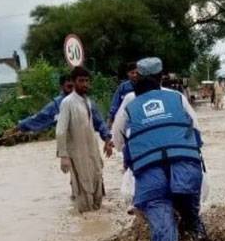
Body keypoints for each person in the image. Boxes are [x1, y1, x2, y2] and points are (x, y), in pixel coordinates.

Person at [111, 57, 206, 241]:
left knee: (162, 228)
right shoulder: (177, 98)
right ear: (162, 76)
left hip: (151, 173)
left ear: (136, 78)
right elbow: (196, 131)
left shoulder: (129, 103)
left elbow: (118, 139)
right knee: (193, 220)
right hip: (185, 167)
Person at [56, 66, 114, 213]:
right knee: (83, 189)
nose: (85, 84)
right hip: (77, 154)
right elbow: (61, 130)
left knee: (97, 182)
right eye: (81, 81)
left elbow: (98, 123)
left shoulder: (88, 102)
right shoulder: (67, 102)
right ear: (74, 82)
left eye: (87, 81)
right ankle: (87, 221)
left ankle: (96, 223)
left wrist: (107, 141)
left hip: (92, 152)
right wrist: (63, 156)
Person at [7, 75, 74, 134]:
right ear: (61, 87)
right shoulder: (56, 105)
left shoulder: (81, 100)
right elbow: (38, 117)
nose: (72, 89)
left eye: (74, 87)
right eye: (69, 87)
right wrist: (18, 127)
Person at [108, 62, 137, 126]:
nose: (135, 75)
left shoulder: (144, 86)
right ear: (128, 74)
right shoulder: (123, 87)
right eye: (132, 73)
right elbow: (115, 103)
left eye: (136, 73)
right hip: (125, 117)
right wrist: (111, 119)